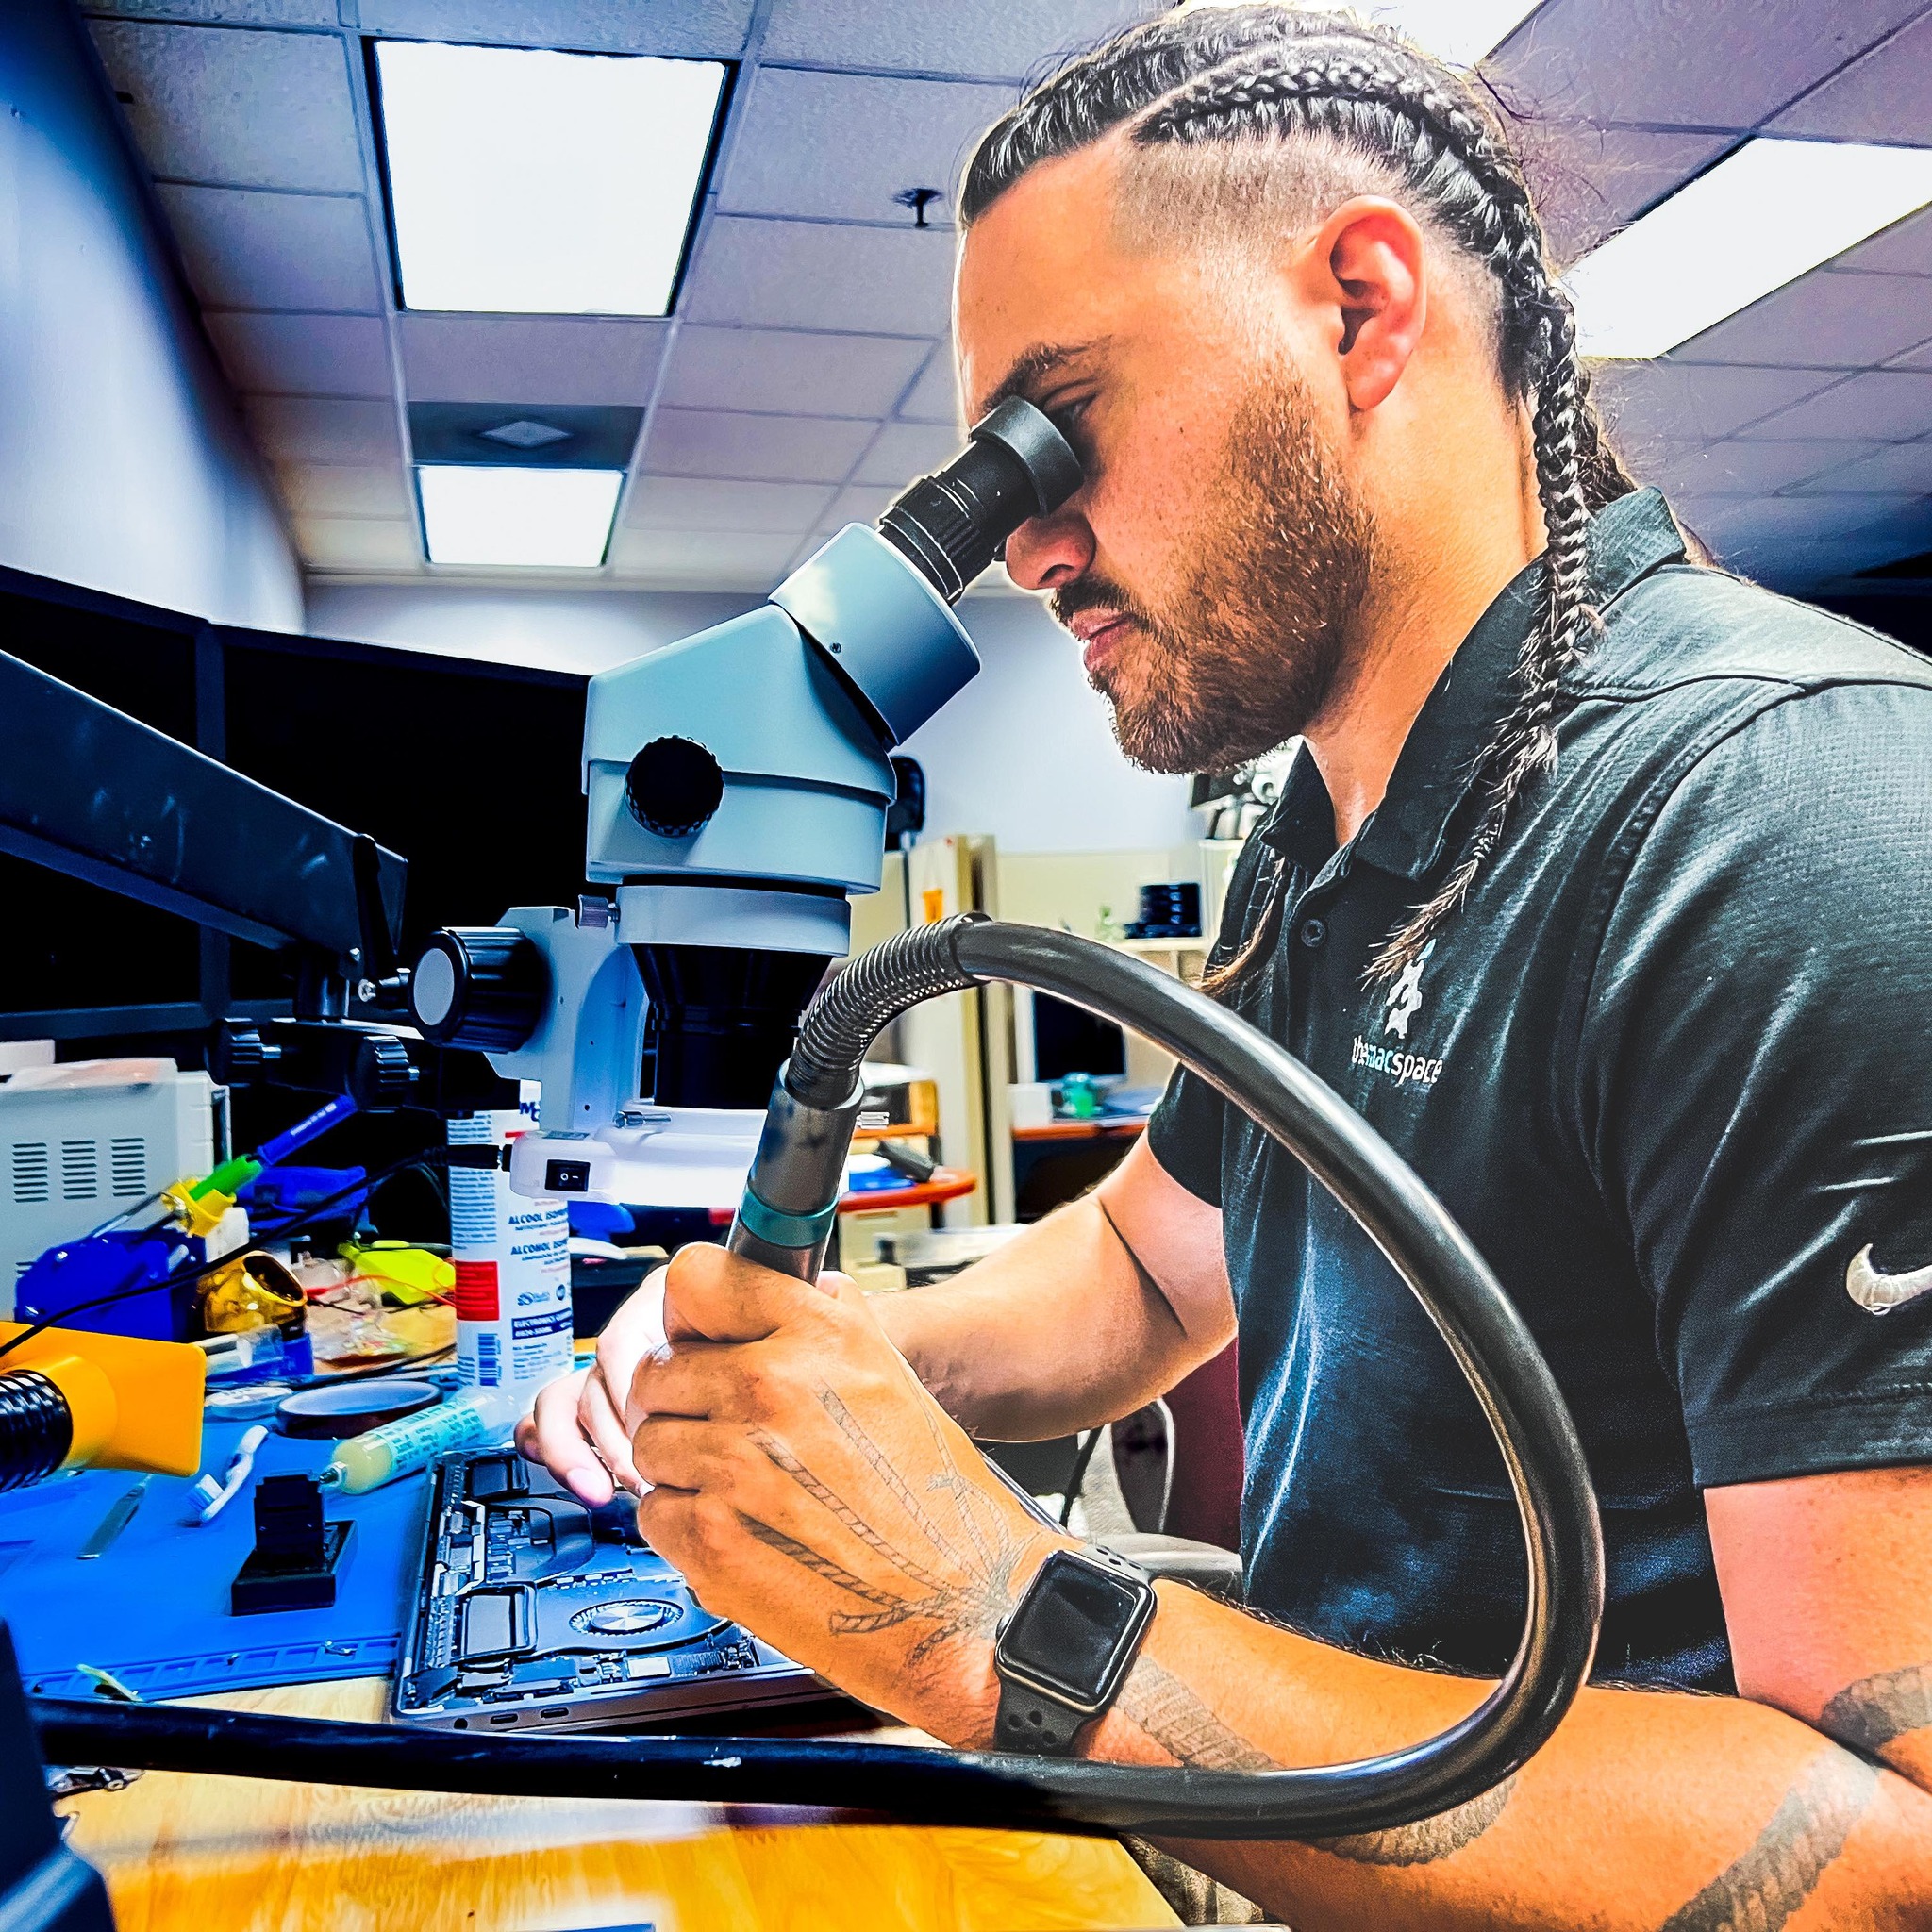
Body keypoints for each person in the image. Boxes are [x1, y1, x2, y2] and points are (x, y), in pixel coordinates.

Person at [521, 7, 1932, 1923]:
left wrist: (986, 1613)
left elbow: (1889, 1858)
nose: (1017, 547)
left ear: (1360, 309)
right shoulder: (1333, 821)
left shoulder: (1784, 821)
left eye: (1054, 424)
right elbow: (1135, 1270)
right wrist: (811, 1377)